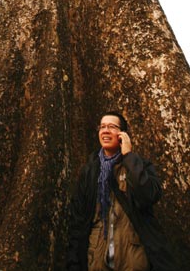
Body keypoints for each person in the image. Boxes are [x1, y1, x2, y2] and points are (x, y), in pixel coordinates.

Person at [67, 111, 179, 271]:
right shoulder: (90, 171)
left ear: (122, 134)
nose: (105, 131)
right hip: (97, 259)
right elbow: (78, 219)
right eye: (102, 127)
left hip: (132, 259)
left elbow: (148, 195)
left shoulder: (139, 165)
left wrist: (128, 156)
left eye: (112, 127)